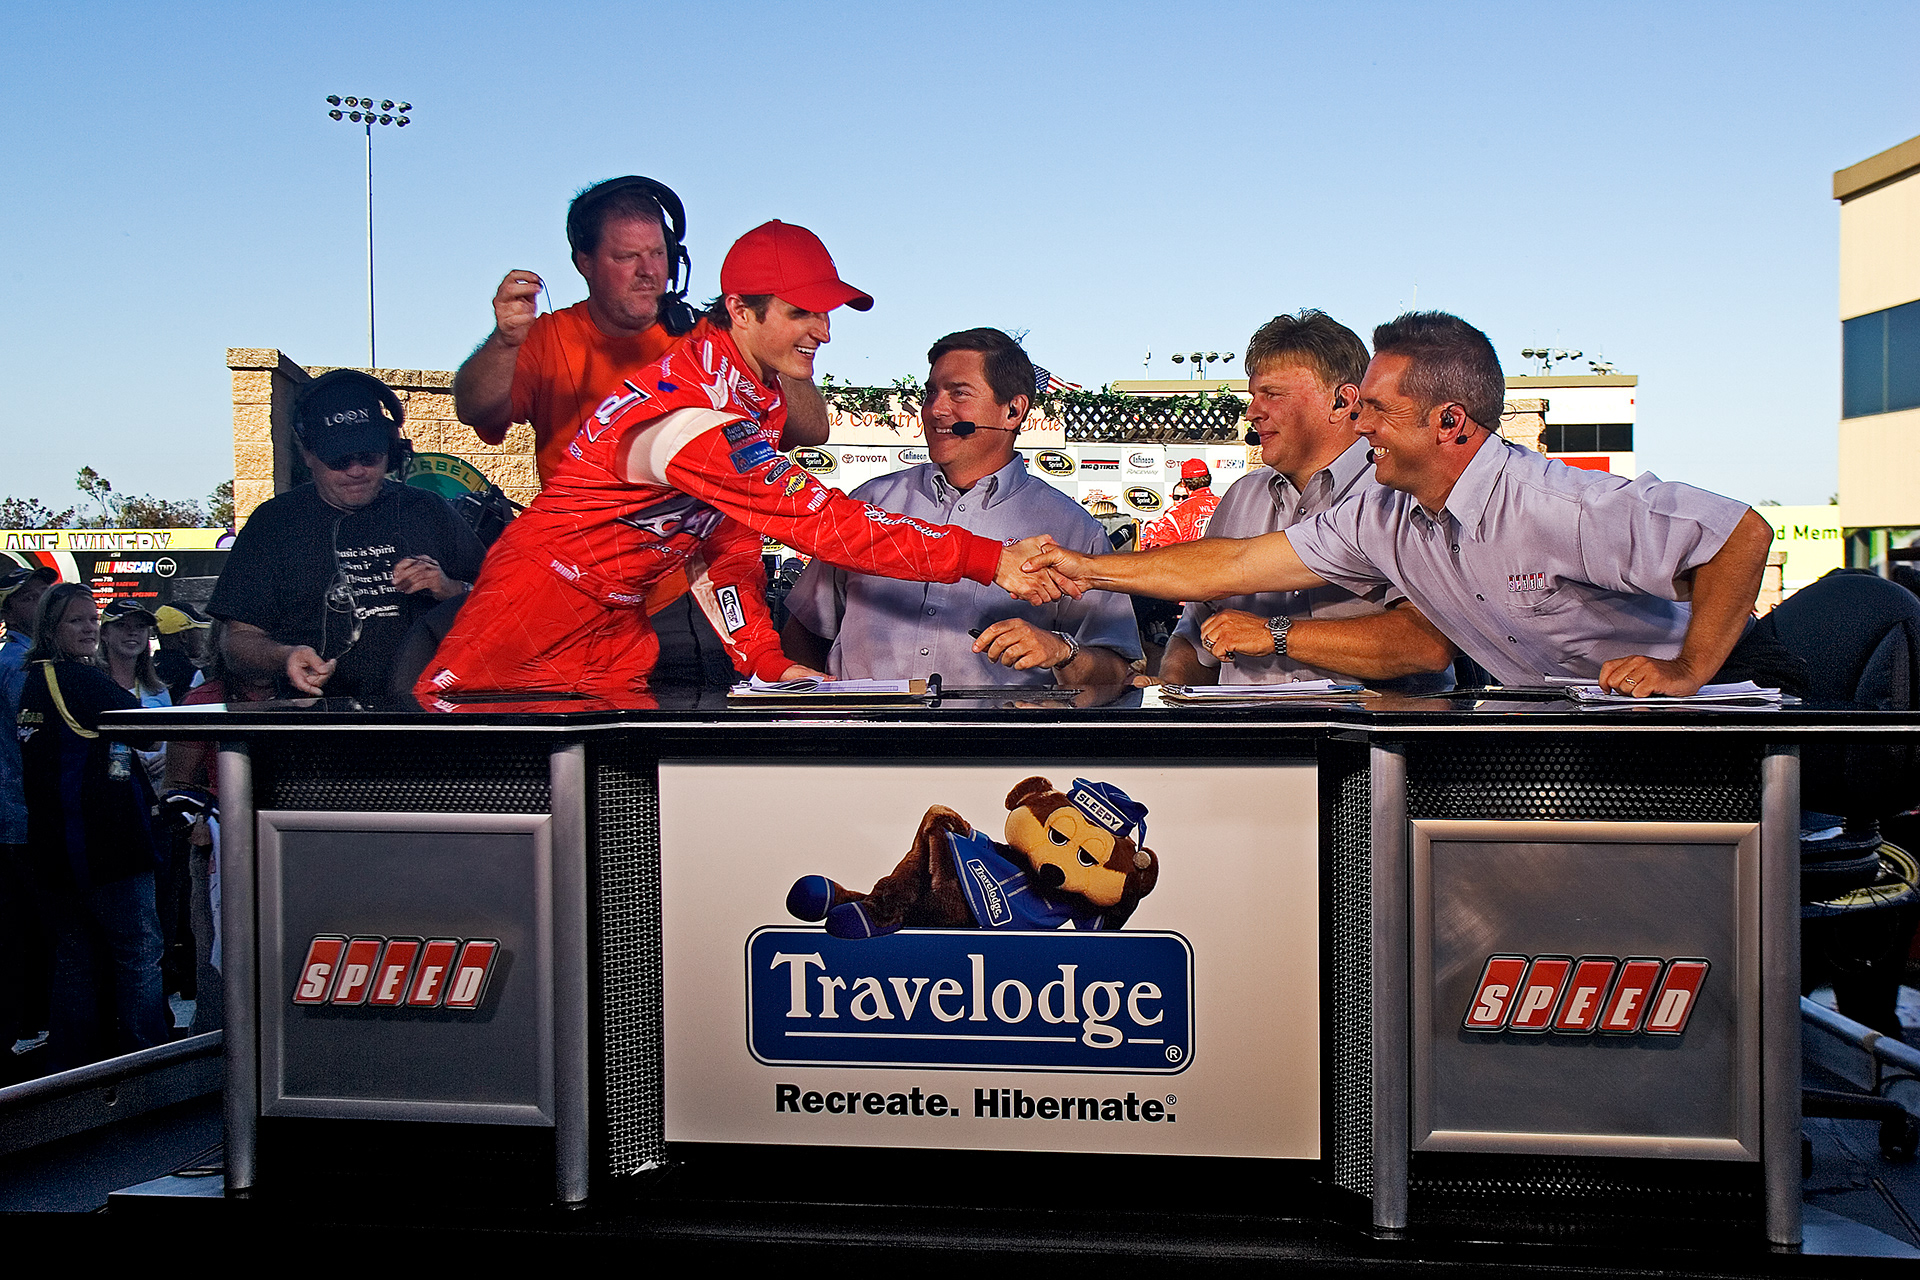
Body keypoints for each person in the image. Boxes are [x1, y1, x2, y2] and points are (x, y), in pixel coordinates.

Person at [418, 221, 1061, 701]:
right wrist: (988, 558)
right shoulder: (690, 410)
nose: (825, 331)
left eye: (826, 311)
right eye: (801, 311)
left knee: (620, 829)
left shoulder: (748, 395)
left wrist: (763, 661)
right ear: (740, 310)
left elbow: (723, 545)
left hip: (616, 626)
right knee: (494, 822)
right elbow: (824, 522)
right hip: (531, 615)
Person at [1029, 311, 1780, 698]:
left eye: (1378, 412)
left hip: (1687, 731)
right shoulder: (1381, 515)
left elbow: (1738, 532)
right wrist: (1085, 569)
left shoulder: (1554, 501)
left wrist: (1685, 670)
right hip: (1574, 728)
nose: (1359, 427)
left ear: (1451, 422)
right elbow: (1233, 561)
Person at [452, 178, 830, 687]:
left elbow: (811, 429)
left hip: (693, 597)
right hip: (584, 598)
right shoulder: (546, 340)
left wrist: (769, 351)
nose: (649, 272)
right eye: (627, 256)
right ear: (583, 262)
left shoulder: (707, 337)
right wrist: (505, 341)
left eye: (658, 253)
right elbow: (476, 410)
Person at [781, 328, 1140, 688]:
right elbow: (805, 631)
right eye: (931, 393)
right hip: (864, 740)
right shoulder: (869, 503)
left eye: (959, 394)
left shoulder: (1074, 530)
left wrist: (1063, 652)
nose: (935, 409)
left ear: (1013, 411)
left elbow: (1115, 671)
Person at [1159, 311, 1454, 691]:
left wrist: (1275, 633)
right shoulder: (1241, 497)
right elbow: (1194, 639)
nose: (1252, 412)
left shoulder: (1396, 492)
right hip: (1250, 745)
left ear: (1342, 401)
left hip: (1366, 744)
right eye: (1253, 396)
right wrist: (1179, 709)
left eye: (1272, 394)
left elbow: (1426, 643)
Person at [210, 369, 486, 699]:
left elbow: (505, 609)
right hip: (318, 731)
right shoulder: (273, 524)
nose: (356, 471)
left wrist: (451, 589)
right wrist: (285, 657)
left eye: (369, 457)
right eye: (340, 460)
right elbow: (237, 641)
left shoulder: (430, 510)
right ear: (308, 455)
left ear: (392, 451)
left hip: (427, 724)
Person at [16, 583, 169, 1069]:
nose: (87, 629)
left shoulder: (35, 678)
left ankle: (74, 1066)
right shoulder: (76, 680)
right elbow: (150, 736)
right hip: (105, 848)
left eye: (90, 619)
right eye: (75, 621)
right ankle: (153, 1062)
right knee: (139, 953)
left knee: (76, 958)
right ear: (51, 629)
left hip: (56, 851)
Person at [0, 565, 55, 1061]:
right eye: (30, 594)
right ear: (10, 607)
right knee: (36, 930)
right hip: (25, 816)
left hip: (19, 814)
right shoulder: (20, 664)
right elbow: (35, 741)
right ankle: (31, 1026)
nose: (42, 598)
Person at [1139, 459, 1219, 550]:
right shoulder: (1226, 505)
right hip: (1223, 561)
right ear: (1209, 479)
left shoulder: (1177, 513)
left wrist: (1151, 527)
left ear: (1183, 483)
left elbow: (1156, 546)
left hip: (1191, 562)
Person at [153, 603, 213, 703]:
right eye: (198, 630)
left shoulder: (147, 670)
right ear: (183, 636)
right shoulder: (194, 676)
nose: (202, 637)